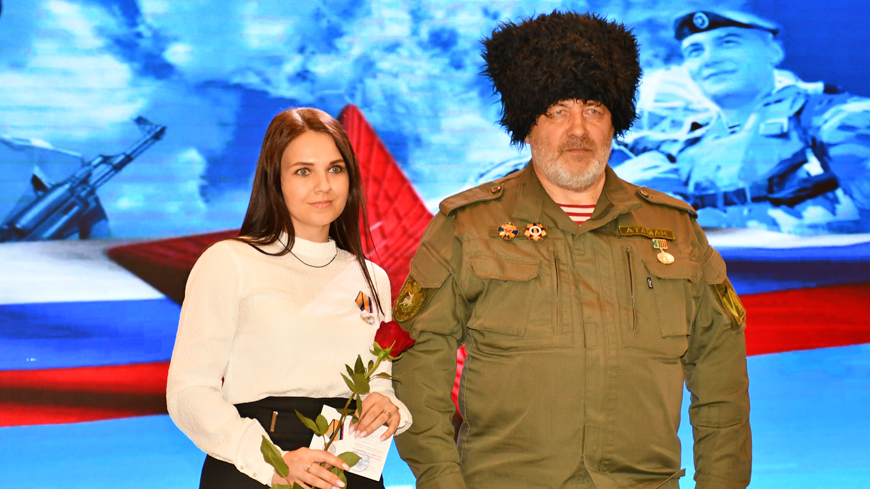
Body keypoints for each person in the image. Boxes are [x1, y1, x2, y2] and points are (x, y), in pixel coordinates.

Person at [392, 11, 750, 489]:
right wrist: (441, 481)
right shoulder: (467, 226)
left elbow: (721, 378)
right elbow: (419, 368)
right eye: (558, 111)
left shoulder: (676, 229)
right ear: (527, 125)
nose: (578, 130)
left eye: (594, 110)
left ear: (614, 123)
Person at [166, 108, 412, 489]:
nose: (323, 185)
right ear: (274, 180)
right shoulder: (229, 262)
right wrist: (272, 461)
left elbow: (378, 385)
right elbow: (188, 392)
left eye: (335, 169)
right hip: (255, 469)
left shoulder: (372, 278)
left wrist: (385, 404)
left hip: (348, 468)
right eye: (303, 171)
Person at [618, 9, 870, 233]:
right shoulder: (687, 146)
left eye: (728, 42)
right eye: (695, 51)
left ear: (774, 51)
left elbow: (862, 218)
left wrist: (718, 228)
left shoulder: (835, 117)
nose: (709, 59)